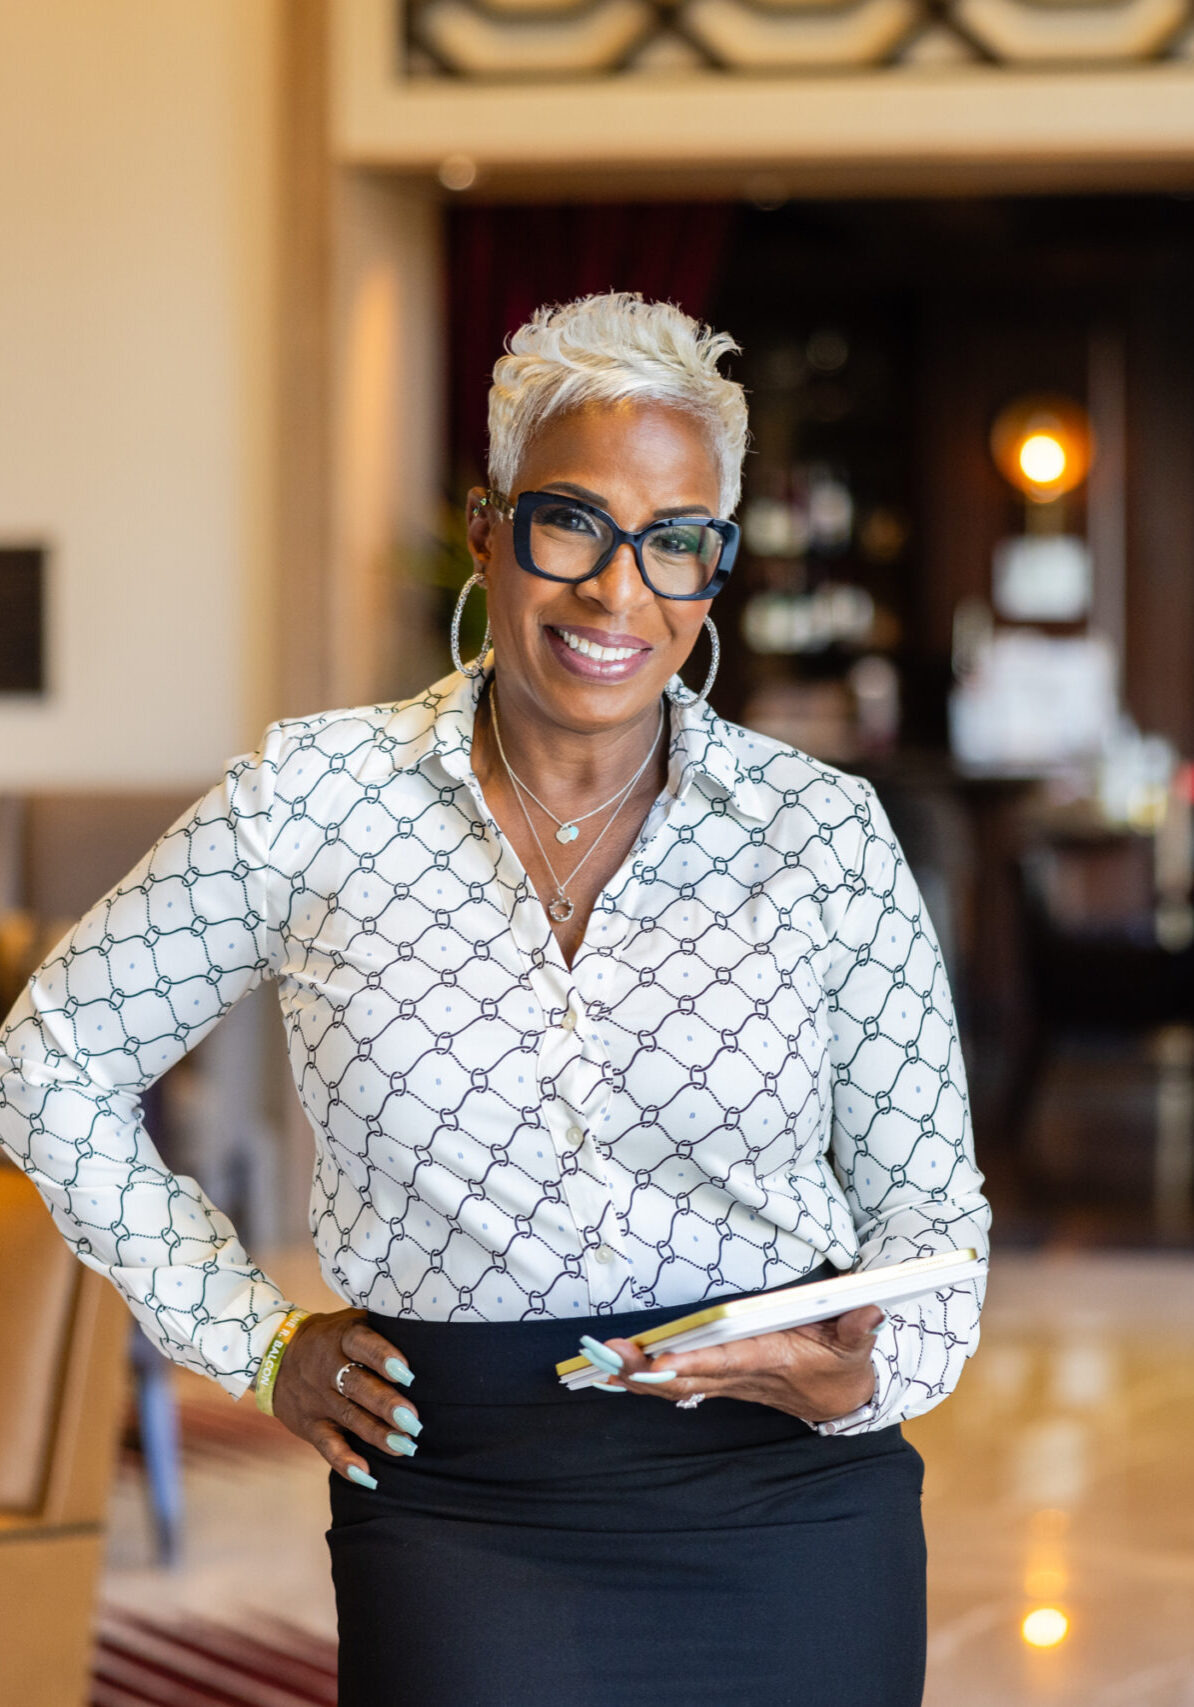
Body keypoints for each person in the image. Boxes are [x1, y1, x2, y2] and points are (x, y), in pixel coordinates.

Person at [0, 292, 990, 1706]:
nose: (615, 592)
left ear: (715, 572)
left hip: (790, 1510)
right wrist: (246, 1335)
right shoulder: (316, 801)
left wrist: (870, 1381)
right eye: (571, 522)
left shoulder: (817, 836)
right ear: (487, 528)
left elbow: (932, 1223)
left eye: (676, 545)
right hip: (460, 1506)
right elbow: (50, 1060)